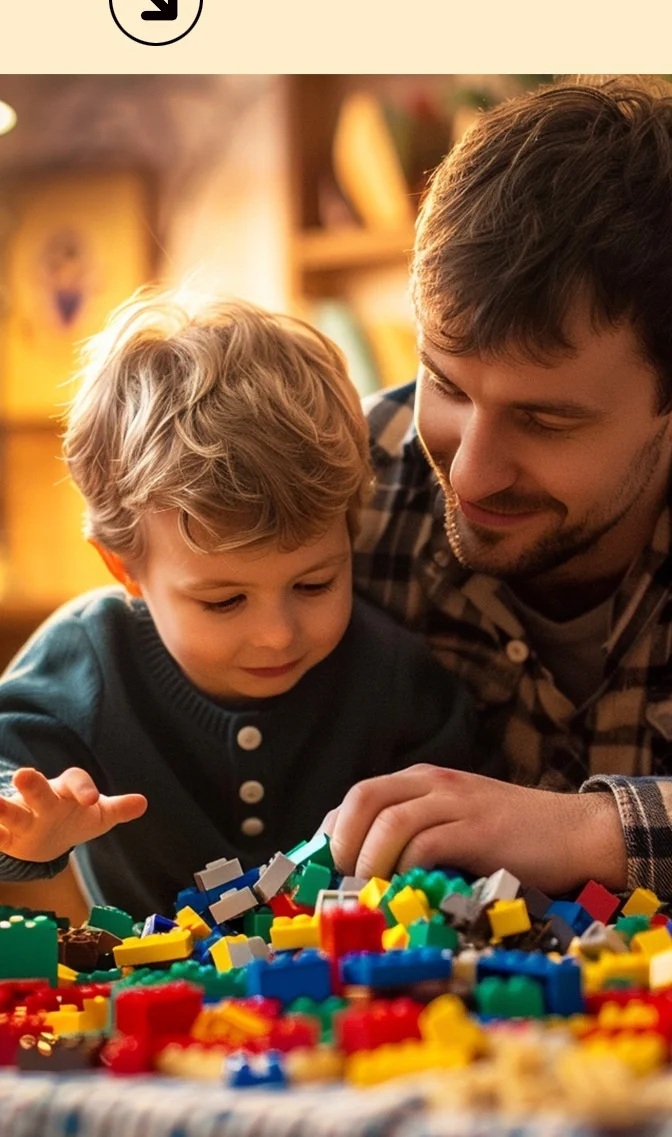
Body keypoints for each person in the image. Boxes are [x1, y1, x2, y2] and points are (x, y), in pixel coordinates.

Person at [328, 74, 672, 910]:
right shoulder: (342, 487)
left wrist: (590, 833)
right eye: (447, 385)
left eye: (545, 420)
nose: (468, 472)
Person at [0, 290, 482, 919]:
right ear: (126, 568)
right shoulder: (90, 657)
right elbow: (9, 777)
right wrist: (23, 831)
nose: (278, 635)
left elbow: (468, 827)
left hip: (356, 987)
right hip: (150, 993)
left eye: (313, 585)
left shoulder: (392, 675)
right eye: (225, 601)